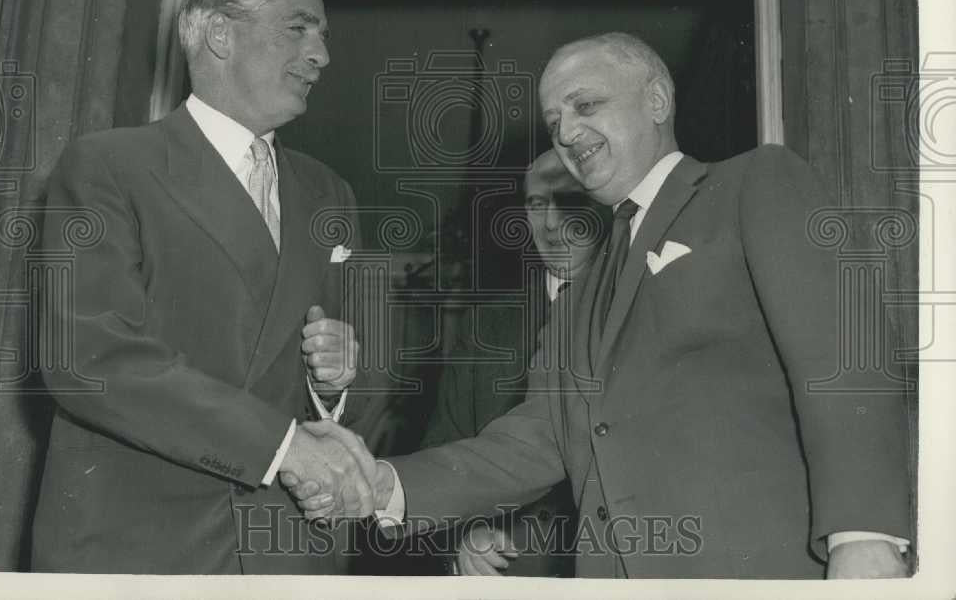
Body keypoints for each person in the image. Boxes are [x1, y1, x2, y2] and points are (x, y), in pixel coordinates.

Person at [290, 32, 912, 579]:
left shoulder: (751, 185)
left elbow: (845, 357)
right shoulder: (581, 292)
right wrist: (384, 485)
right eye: (554, 119)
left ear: (658, 101)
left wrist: (865, 539)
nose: (565, 132)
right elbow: (533, 441)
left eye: (586, 105)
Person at [31, 0, 377, 574]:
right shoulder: (110, 167)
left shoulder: (332, 194)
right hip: (141, 550)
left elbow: (355, 392)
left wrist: (332, 388)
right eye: (299, 28)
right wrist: (283, 445)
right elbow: (88, 360)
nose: (322, 54)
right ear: (220, 33)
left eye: (323, 34)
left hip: (286, 554)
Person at [418, 149, 606, 576]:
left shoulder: (646, 313)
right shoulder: (486, 326)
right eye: (537, 204)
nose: (552, 224)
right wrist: (462, 536)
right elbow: (441, 451)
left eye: (570, 202)